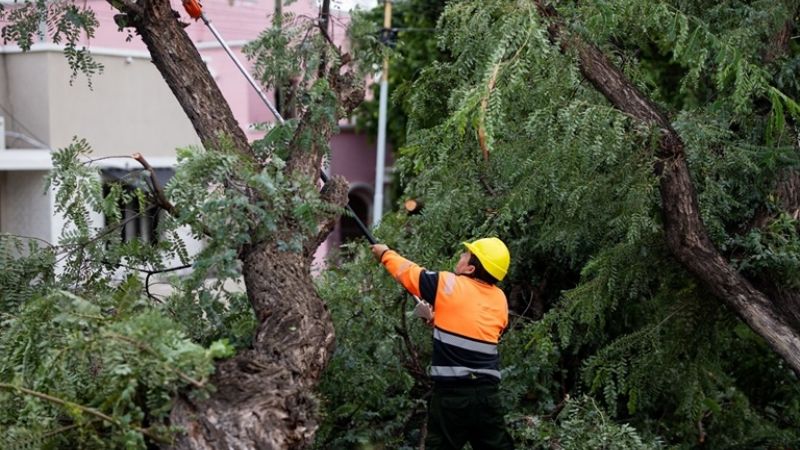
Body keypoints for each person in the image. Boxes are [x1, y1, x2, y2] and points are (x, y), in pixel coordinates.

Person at [371, 237, 515, 450]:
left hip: (452, 396)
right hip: (487, 395)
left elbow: (409, 273)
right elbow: (480, 330)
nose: (460, 256)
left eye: (465, 255)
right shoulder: (500, 299)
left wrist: (385, 254)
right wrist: (438, 319)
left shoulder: (448, 283)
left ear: (470, 269)